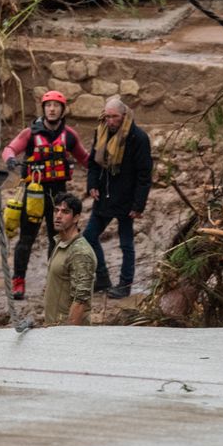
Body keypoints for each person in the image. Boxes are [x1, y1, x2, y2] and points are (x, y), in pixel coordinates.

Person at [1, 90, 90, 300]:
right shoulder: (30, 133)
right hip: (34, 193)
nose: (52, 109)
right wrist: (11, 160)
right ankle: (18, 282)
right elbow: (9, 149)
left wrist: (101, 172)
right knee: (26, 239)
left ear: (62, 110)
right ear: (43, 109)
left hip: (58, 196)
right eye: (48, 105)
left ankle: (53, 280)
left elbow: (85, 159)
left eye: (56, 106)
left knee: (56, 239)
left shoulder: (69, 135)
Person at [84, 96, 153, 298]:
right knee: (88, 237)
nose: (110, 121)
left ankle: (125, 285)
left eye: (114, 117)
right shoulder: (101, 132)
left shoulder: (138, 137)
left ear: (123, 116)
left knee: (126, 244)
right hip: (104, 196)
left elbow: (144, 174)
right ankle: (103, 277)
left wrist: (138, 204)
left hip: (126, 199)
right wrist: (92, 185)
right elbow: (93, 163)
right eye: (107, 117)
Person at [44, 193, 97, 326]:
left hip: (67, 333)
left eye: (65, 212)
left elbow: (81, 300)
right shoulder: (60, 243)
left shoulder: (80, 252)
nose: (58, 215)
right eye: (56, 210)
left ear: (76, 218)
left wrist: (67, 336)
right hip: (53, 329)